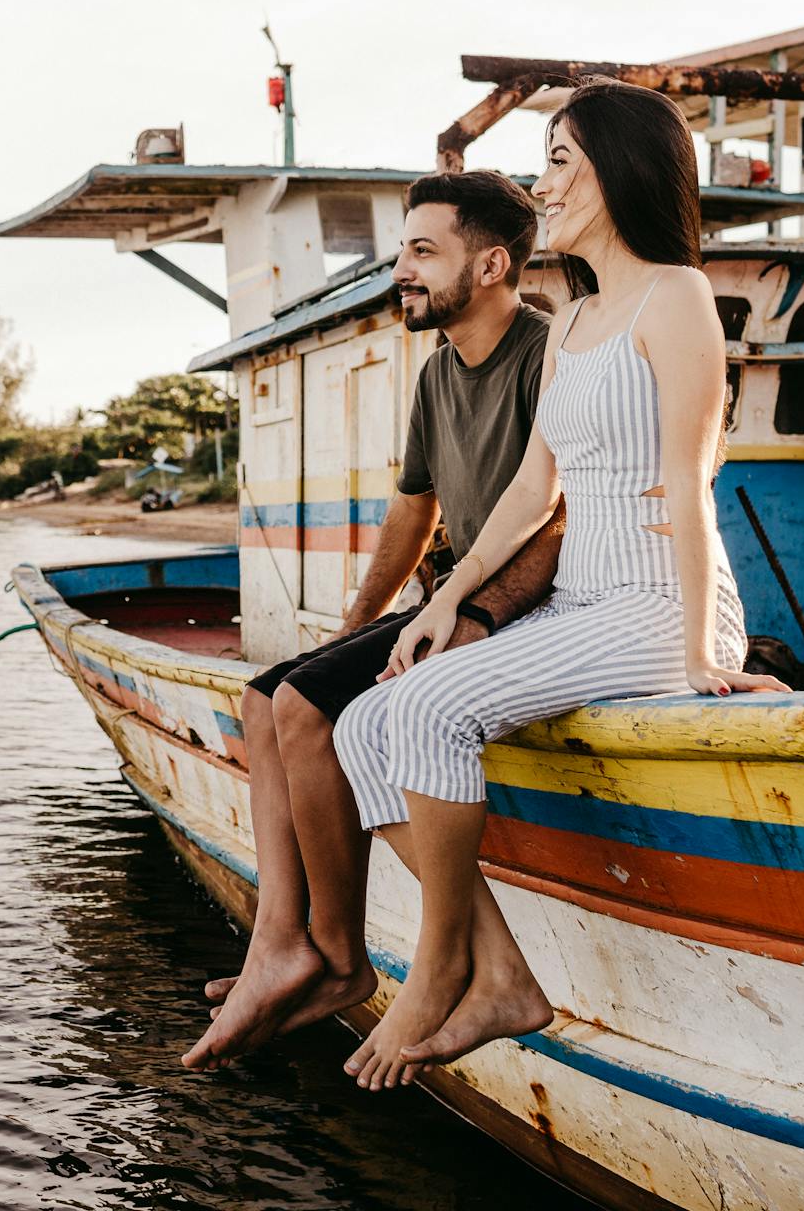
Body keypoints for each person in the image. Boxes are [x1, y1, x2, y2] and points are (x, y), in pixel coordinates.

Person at [330, 80, 792, 1092]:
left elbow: (688, 478)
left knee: (434, 708)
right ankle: (497, 969)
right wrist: (449, 599)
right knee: (367, 721)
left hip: (660, 603)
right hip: (583, 601)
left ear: (618, 171)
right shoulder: (573, 318)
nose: (546, 185)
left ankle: (440, 962)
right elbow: (535, 486)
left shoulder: (677, 299)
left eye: (560, 162)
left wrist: (711, 654)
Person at [182, 170, 565, 1070]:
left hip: (515, 606)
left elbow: (558, 512)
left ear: (493, 264)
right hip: (447, 596)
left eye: (423, 251)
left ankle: (340, 955)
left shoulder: (545, 355)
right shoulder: (439, 371)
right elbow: (413, 512)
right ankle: (282, 940)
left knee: (310, 711)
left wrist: (466, 614)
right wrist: (356, 627)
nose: (403, 269)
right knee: (264, 696)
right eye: (404, 250)